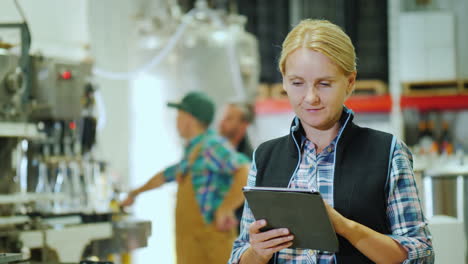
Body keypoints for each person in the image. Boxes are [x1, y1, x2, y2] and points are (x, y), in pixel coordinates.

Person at [229, 19, 434, 264]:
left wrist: (345, 227)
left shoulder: (388, 152)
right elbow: (239, 256)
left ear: (350, 82)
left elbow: (421, 254)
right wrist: (257, 253)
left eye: (324, 84)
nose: (310, 97)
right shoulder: (265, 157)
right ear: (284, 80)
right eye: (297, 83)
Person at [121, 91, 250, 264]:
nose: (176, 121)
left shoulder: (211, 146)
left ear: (188, 118)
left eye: (179, 115)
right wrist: (135, 193)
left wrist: (226, 207)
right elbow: (164, 176)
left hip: (212, 246)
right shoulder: (192, 152)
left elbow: (245, 169)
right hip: (192, 247)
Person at [219, 101, 255, 231]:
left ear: (243, 125)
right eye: (223, 117)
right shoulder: (215, 154)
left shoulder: (251, 162)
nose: (221, 123)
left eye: (229, 118)